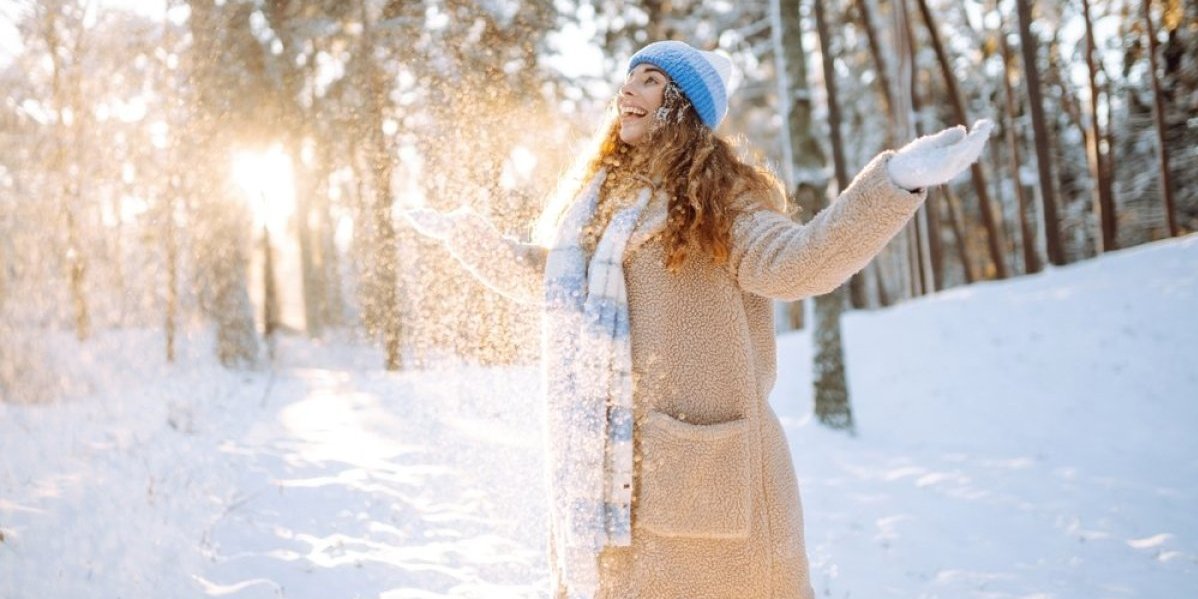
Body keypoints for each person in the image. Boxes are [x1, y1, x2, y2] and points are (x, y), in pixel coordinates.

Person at [402, 40, 992, 599]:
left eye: (650, 79)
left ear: (682, 105)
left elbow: (800, 264)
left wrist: (894, 183)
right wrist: (468, 239)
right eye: (629, 77)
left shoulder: (724, 203)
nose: (627, 90)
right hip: (612, 489)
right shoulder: (603, 204)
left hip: (707, 488)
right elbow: (553, 279)